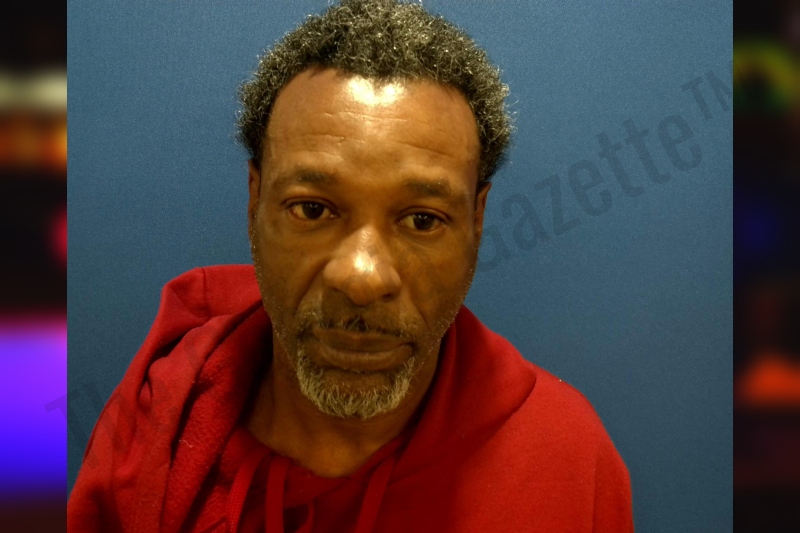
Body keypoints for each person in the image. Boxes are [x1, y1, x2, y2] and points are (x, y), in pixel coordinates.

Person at [67, 0, 633, 531]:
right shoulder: (158, 423)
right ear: (255, 200)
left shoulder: (565, 459)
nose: (362, 279)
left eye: (422, 220)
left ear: (477, 221)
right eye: (313, 209)